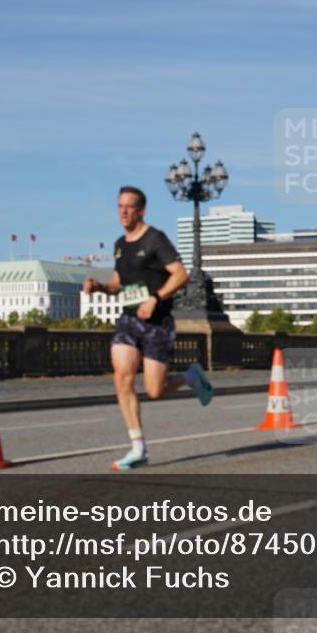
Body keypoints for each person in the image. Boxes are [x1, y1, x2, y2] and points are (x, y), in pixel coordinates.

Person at [83, 186, 212, 470]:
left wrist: (156, 298)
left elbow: (181, 274)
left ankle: (192, 376)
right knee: (122, 379)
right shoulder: (120, 244)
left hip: (157, 322)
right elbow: (119, 282)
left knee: (154, 390)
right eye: (119, 206)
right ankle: (138, 448)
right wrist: (100, 287)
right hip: (129, 320)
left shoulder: (156, 239)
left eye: (129, 207)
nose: (123, 212)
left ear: (141, 210)